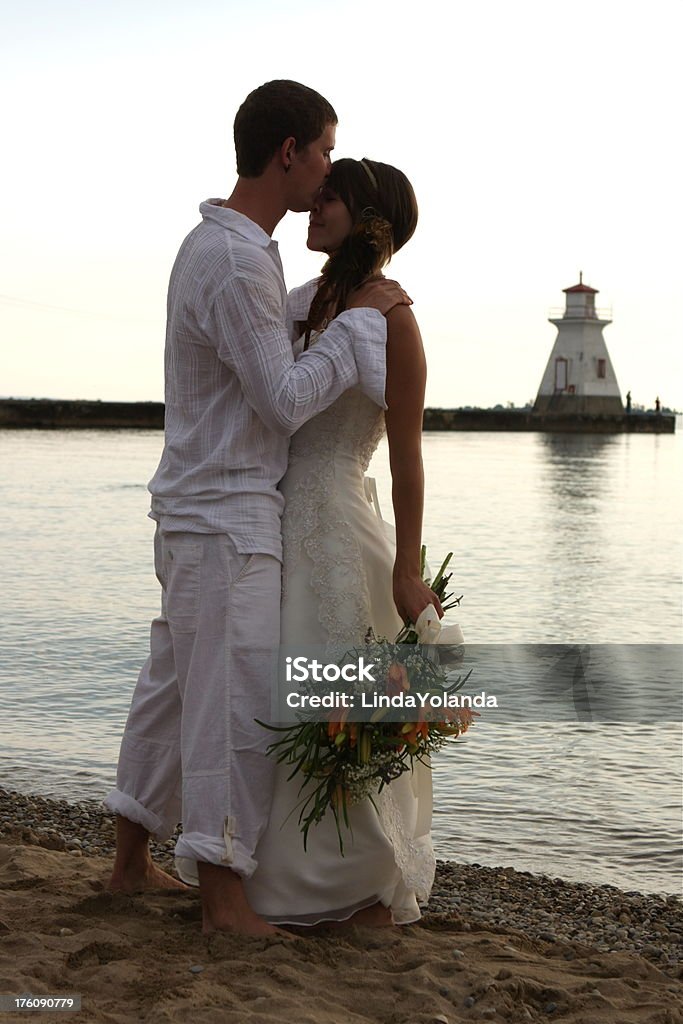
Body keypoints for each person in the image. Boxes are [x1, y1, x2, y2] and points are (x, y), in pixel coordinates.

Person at [103, 82, 393, 937]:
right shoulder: (235, 258)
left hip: (197, 510)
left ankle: (127, 865)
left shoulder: (229, 250)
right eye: (327, 150)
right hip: (226, 514)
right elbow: (278, 397)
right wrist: (351, 334)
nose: (330, 168)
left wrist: (332, 307)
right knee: (231, 702)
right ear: (289, 152)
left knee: (170, 690)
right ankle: (225, 896)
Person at [237, 158, 443, 926]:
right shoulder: (304, 302)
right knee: (273, 695)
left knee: (337, 700)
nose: (312, 205)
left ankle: (358, 884)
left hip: (337, 524)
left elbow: (408, 458)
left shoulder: (390, 318)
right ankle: (272, 874)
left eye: (330, 197)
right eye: (316, 191)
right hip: (274, 518)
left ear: (367, 217)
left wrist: (407, 571)